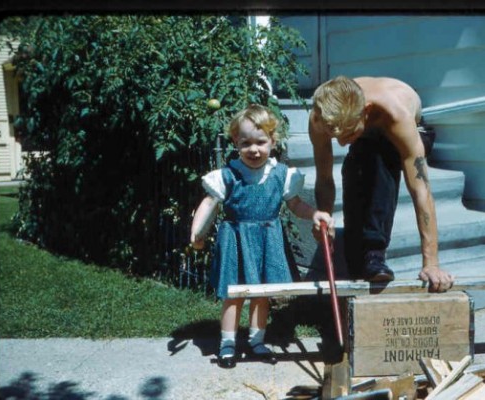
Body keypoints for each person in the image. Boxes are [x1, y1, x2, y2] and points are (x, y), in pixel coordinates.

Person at [190, 104, 334, 369]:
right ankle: (228, 344)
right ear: (236, 142)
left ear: (272, 141)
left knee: (262, 294)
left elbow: (295, 205)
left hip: (268, 240)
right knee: (234, 295)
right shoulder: (228, 175)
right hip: (236, 239)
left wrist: (314, 213)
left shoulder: (281, 174)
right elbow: (209, 203)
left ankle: (257, 341)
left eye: (260, 142)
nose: (253, 150)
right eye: (246, 143)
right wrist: (197, 232)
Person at [308, 75, 454, 293]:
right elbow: (325, 178)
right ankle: (360, 261)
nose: (341, 143)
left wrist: (431, 263)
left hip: (411, 131)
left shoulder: (396, 115)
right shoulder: (320, 117)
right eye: (335, 137)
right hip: (368, 132)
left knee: (377, 157)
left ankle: (374, 252)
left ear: (366, 111)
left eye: (348, 134)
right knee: (353, 167)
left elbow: (421, 189)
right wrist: (324, 219)